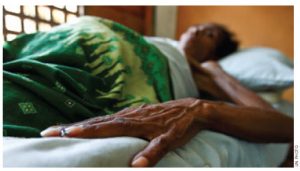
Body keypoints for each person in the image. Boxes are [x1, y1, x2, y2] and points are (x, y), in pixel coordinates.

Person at [3, 16, 293, 167]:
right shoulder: (154, 39)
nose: (196, 30)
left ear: (214, 49)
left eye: (209, 33)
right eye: (198, 25)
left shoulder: (206, 69)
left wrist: (202, 109)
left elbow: (284, 126)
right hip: (61, 43)